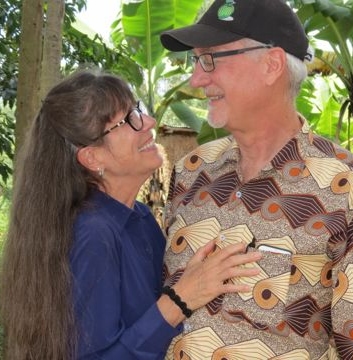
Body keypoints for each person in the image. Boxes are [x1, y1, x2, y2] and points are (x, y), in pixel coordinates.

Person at [160, 0, 353, 359]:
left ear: (271, 65)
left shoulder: (348, 186)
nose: (197, 79)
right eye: (196, 60)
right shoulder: (192, 170)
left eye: (210, 59)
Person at [0, 70, 262, 360]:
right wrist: (180, 300)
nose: (148, 122)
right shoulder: (94, 233)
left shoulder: (139, 218)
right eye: (129, 120)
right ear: (92, 157)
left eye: (138, 109)